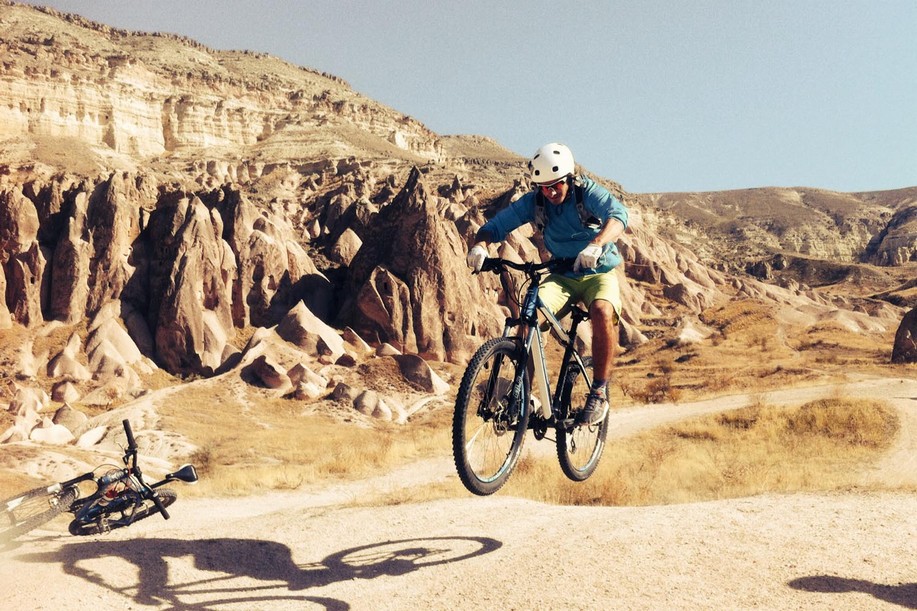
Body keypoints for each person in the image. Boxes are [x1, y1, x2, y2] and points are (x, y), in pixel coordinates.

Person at [466, 143, 629, 425]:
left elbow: (619, 215)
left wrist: (596, 243)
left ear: (569, 178)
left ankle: (598, 392)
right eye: (544, 187)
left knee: (603, 312)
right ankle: (523, 395)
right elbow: (495, 226)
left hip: (598, 273)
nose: (550, 193)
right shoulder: (535, 202)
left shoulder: (586, 193)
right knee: (528, 319)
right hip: (562, 276)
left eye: (556, 185)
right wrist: (480, 245)